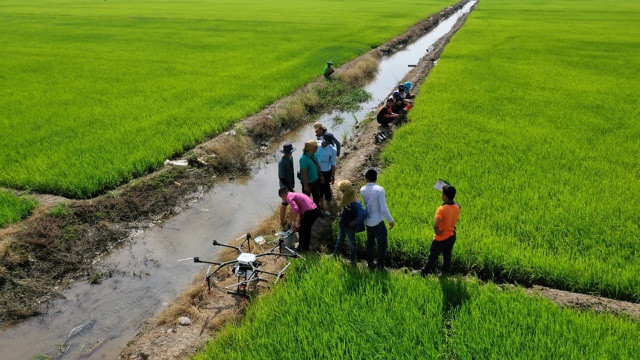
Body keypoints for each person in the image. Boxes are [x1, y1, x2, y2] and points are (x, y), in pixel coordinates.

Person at [420, 185, 461, 275]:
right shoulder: (457, 207)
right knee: (447, 255)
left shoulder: (441, 209)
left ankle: (424, 272)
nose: (441, 195)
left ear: (445, 196)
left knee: (432, 256)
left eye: (442, 194)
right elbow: (458, 206)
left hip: (441, 238)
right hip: (452, 236)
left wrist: (437, 232)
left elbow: (436, 224)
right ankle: (444, 273)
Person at [360, 169, 394, 270]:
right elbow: (383, 208)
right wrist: (390, 220)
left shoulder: (362, 189)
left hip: (368, 221)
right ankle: (380, 266)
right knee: (382, 244)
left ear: (366, 178)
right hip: (378, 221)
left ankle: (370, 264)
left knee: (370, 243)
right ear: (376, 178)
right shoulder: (379, 190)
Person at [334, 180, 367, 265]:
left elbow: (363, 213)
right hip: (342, 222)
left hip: (349, 227)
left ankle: (353, 261)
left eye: (341, 190)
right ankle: (336, 255)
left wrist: (356, 221)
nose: (340, 191)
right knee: (340, 239)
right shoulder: (346, 197)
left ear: (344, 191)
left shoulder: (356, 203)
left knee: (352, 244)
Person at [279, 187, 320, 252]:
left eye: (282, 198)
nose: (284, 200)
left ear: (283, 195)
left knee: (302, 231)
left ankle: (302, 249)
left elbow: (295, 209)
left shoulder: (289, 197)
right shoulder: (295, 195)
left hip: (309, 213)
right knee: (306, 230)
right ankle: (305, 248)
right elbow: (300, 212)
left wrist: (293, 223)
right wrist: (298, 224)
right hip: (315, 211)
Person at [316, 133, 337, 215]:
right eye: (325, 141)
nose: (325, 143)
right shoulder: (317, 144)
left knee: (326, 189)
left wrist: (333, 176)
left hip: (326, 172)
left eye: (327, 142)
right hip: (316, 171)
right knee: (318, 189)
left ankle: (328, 208)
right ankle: (321, 205)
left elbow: (333, 163)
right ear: (323, 139)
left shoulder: (332, 150)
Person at [299, 139, 323, 206]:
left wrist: (320, 175)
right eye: (316, 147)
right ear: (313, 148)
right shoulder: (303, 159)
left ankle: (317, 209)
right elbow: (304, 173)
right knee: (306, 199)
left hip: (315, 180)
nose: (318, 148)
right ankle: (308, 212)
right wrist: (305, 185)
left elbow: (317, 165)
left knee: (317, 197)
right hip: (308, 183)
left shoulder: (314, 155)